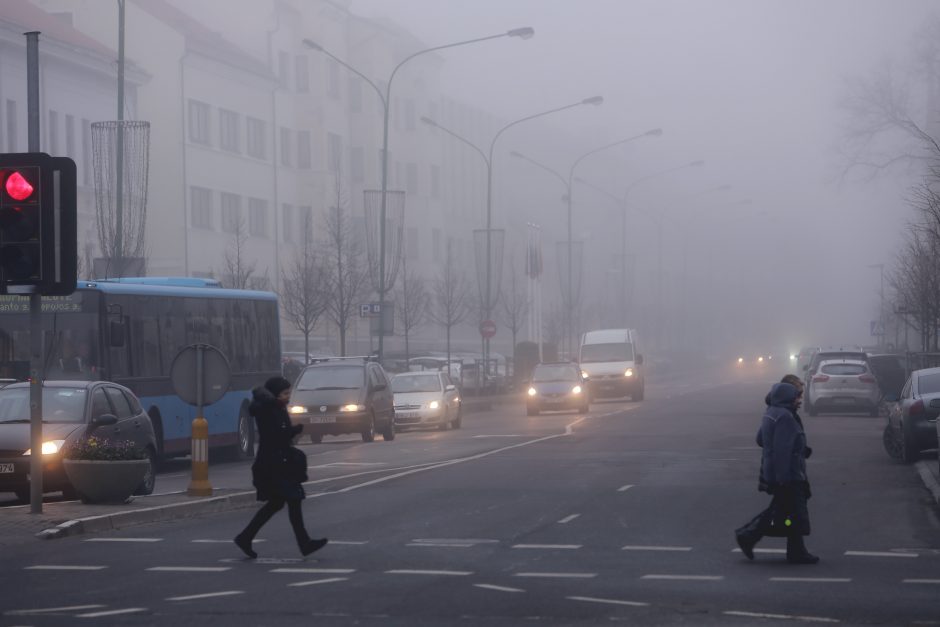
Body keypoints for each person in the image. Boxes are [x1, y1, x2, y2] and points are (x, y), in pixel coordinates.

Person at [234, 376, 327, 558]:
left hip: (278, 462)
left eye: (289, 393)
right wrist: (295, 430)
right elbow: (275, 435)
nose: (288, 396)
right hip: (275, 464)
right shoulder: (269, 409)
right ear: (275, 394)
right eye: (285, 393)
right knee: (293, 500)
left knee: (277, 504)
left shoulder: (273, 407)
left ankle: (245, 537)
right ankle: (304, 543)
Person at [735, 378, 819, 564]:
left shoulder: (771, 412)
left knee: (787, 511)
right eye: (797, 397)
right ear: (788, 398)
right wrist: (783, 477)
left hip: (778, 472)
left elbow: (761, 439)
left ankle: (796, 550)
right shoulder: (785, 417)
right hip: (789, 474)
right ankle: (748, 536)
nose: (799, 400)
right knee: (787, 512)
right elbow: (783, 450)